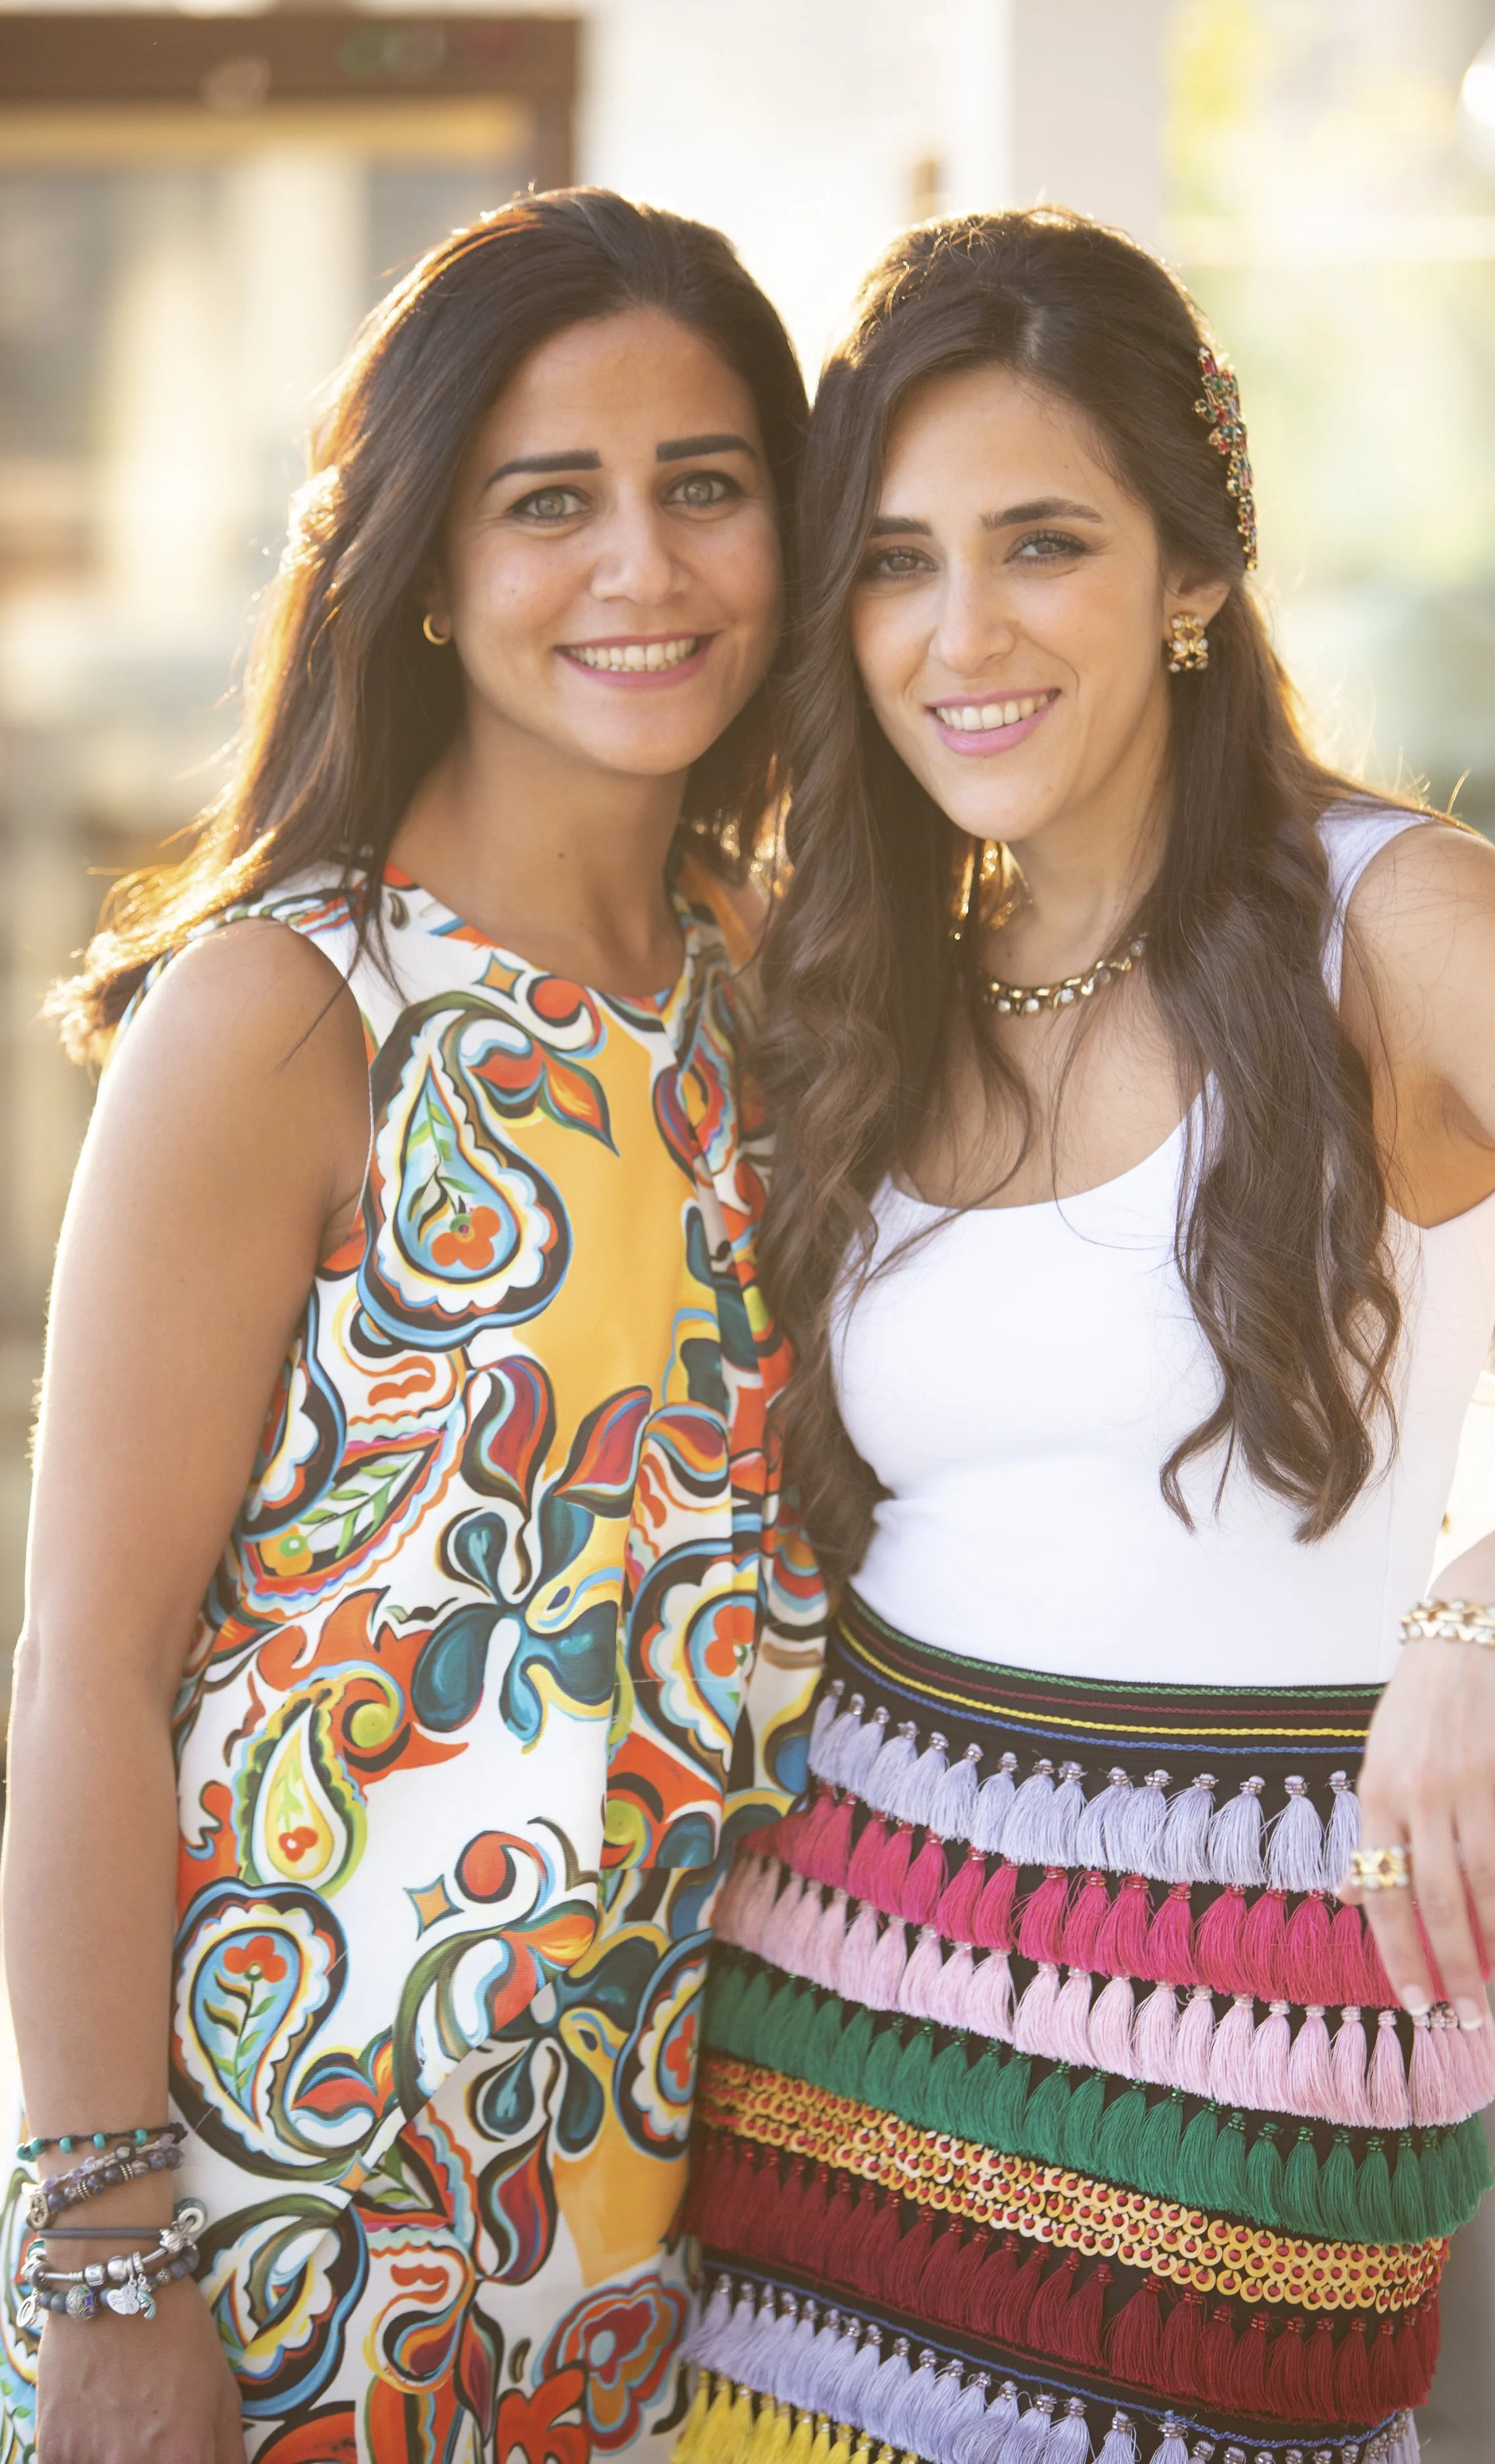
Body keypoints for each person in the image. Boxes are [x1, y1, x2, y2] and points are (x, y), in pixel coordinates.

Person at [681, 210, 1495, 2464]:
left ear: (1192, 576)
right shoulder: (873, 967)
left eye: (1042, 544)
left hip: (1240, 2046)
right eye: (897, 562)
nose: (960, 633)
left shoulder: (1391, 916)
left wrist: (1494, 1599)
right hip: (822, 2001)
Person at [1, 188, 823, 2464]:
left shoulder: (783, 1005)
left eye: (705, 487)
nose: (640, 569)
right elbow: (87, 1676)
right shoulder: (289, 1010)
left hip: (673, 2253)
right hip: (276, 2236)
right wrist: (110, 2266)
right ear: (428, 564)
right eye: (548, 502)